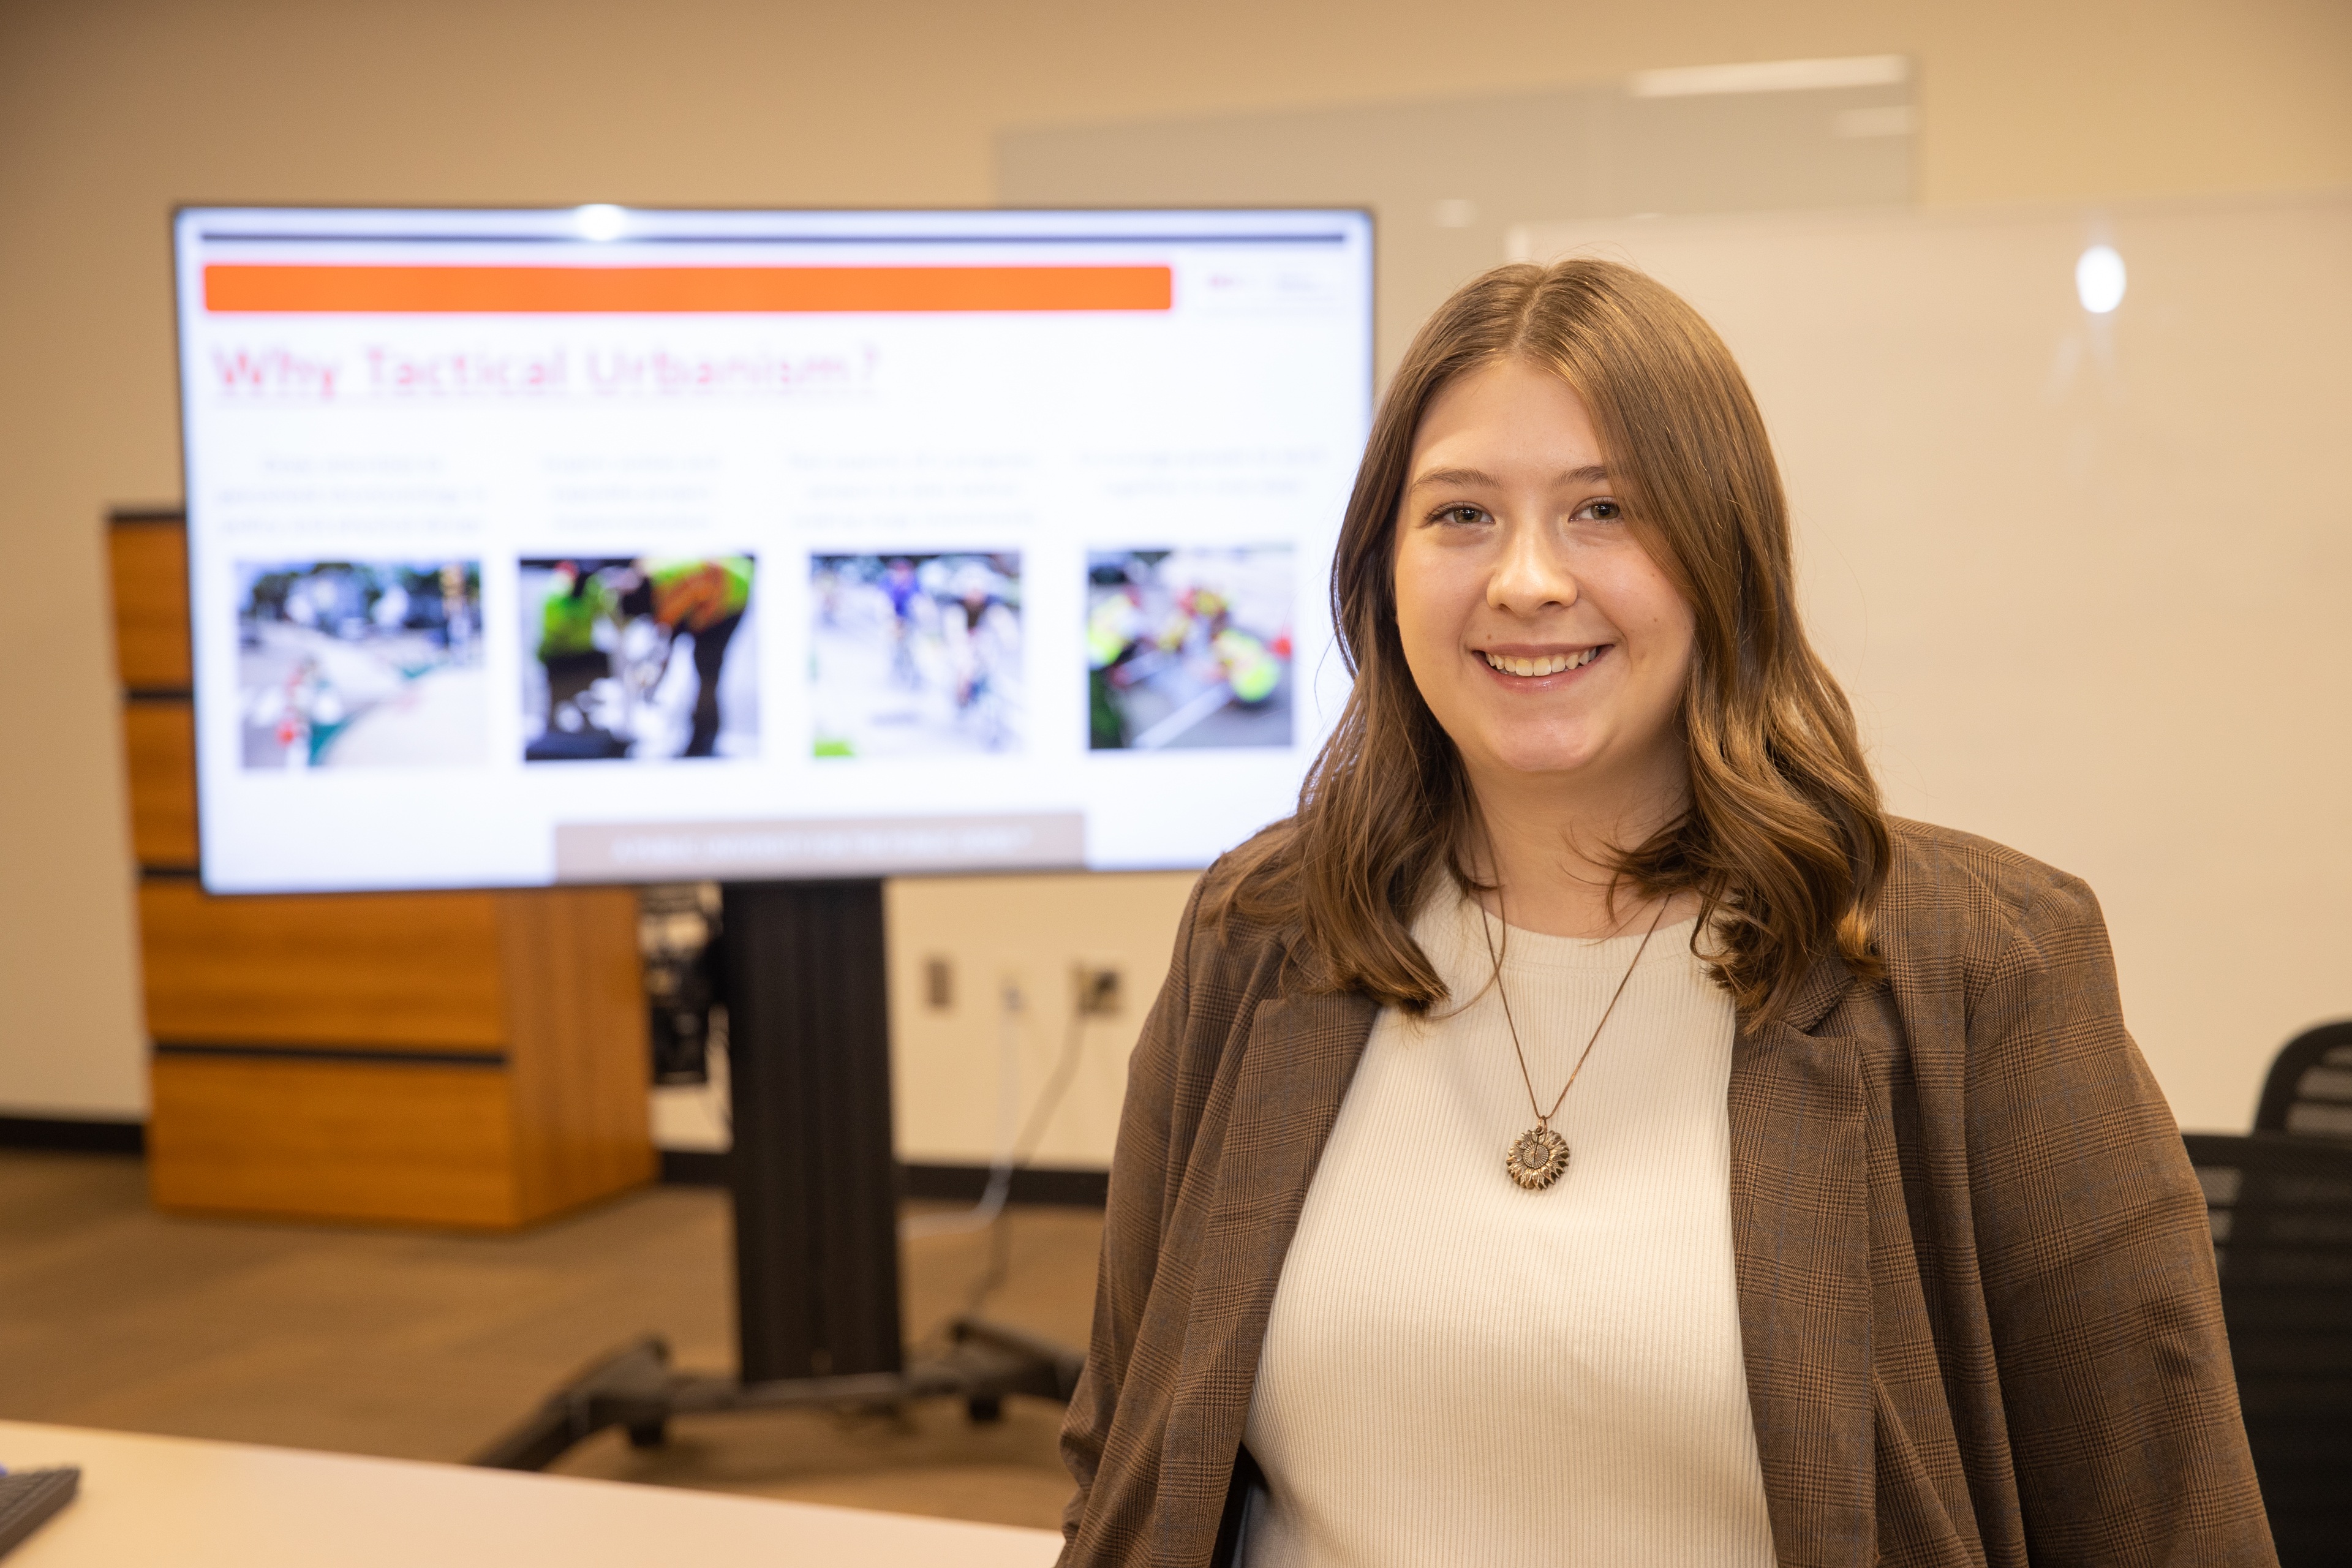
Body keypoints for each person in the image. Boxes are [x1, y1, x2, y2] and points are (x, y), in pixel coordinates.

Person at [1056, 260, 2275, 1566]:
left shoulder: (1982, 962)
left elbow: (2161, 1510)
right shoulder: (1261, 936)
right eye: (1461, 512)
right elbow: (1132, 1455)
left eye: (1605, 509)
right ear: (1382, 570)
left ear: (1720, 554)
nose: (1526, 578)